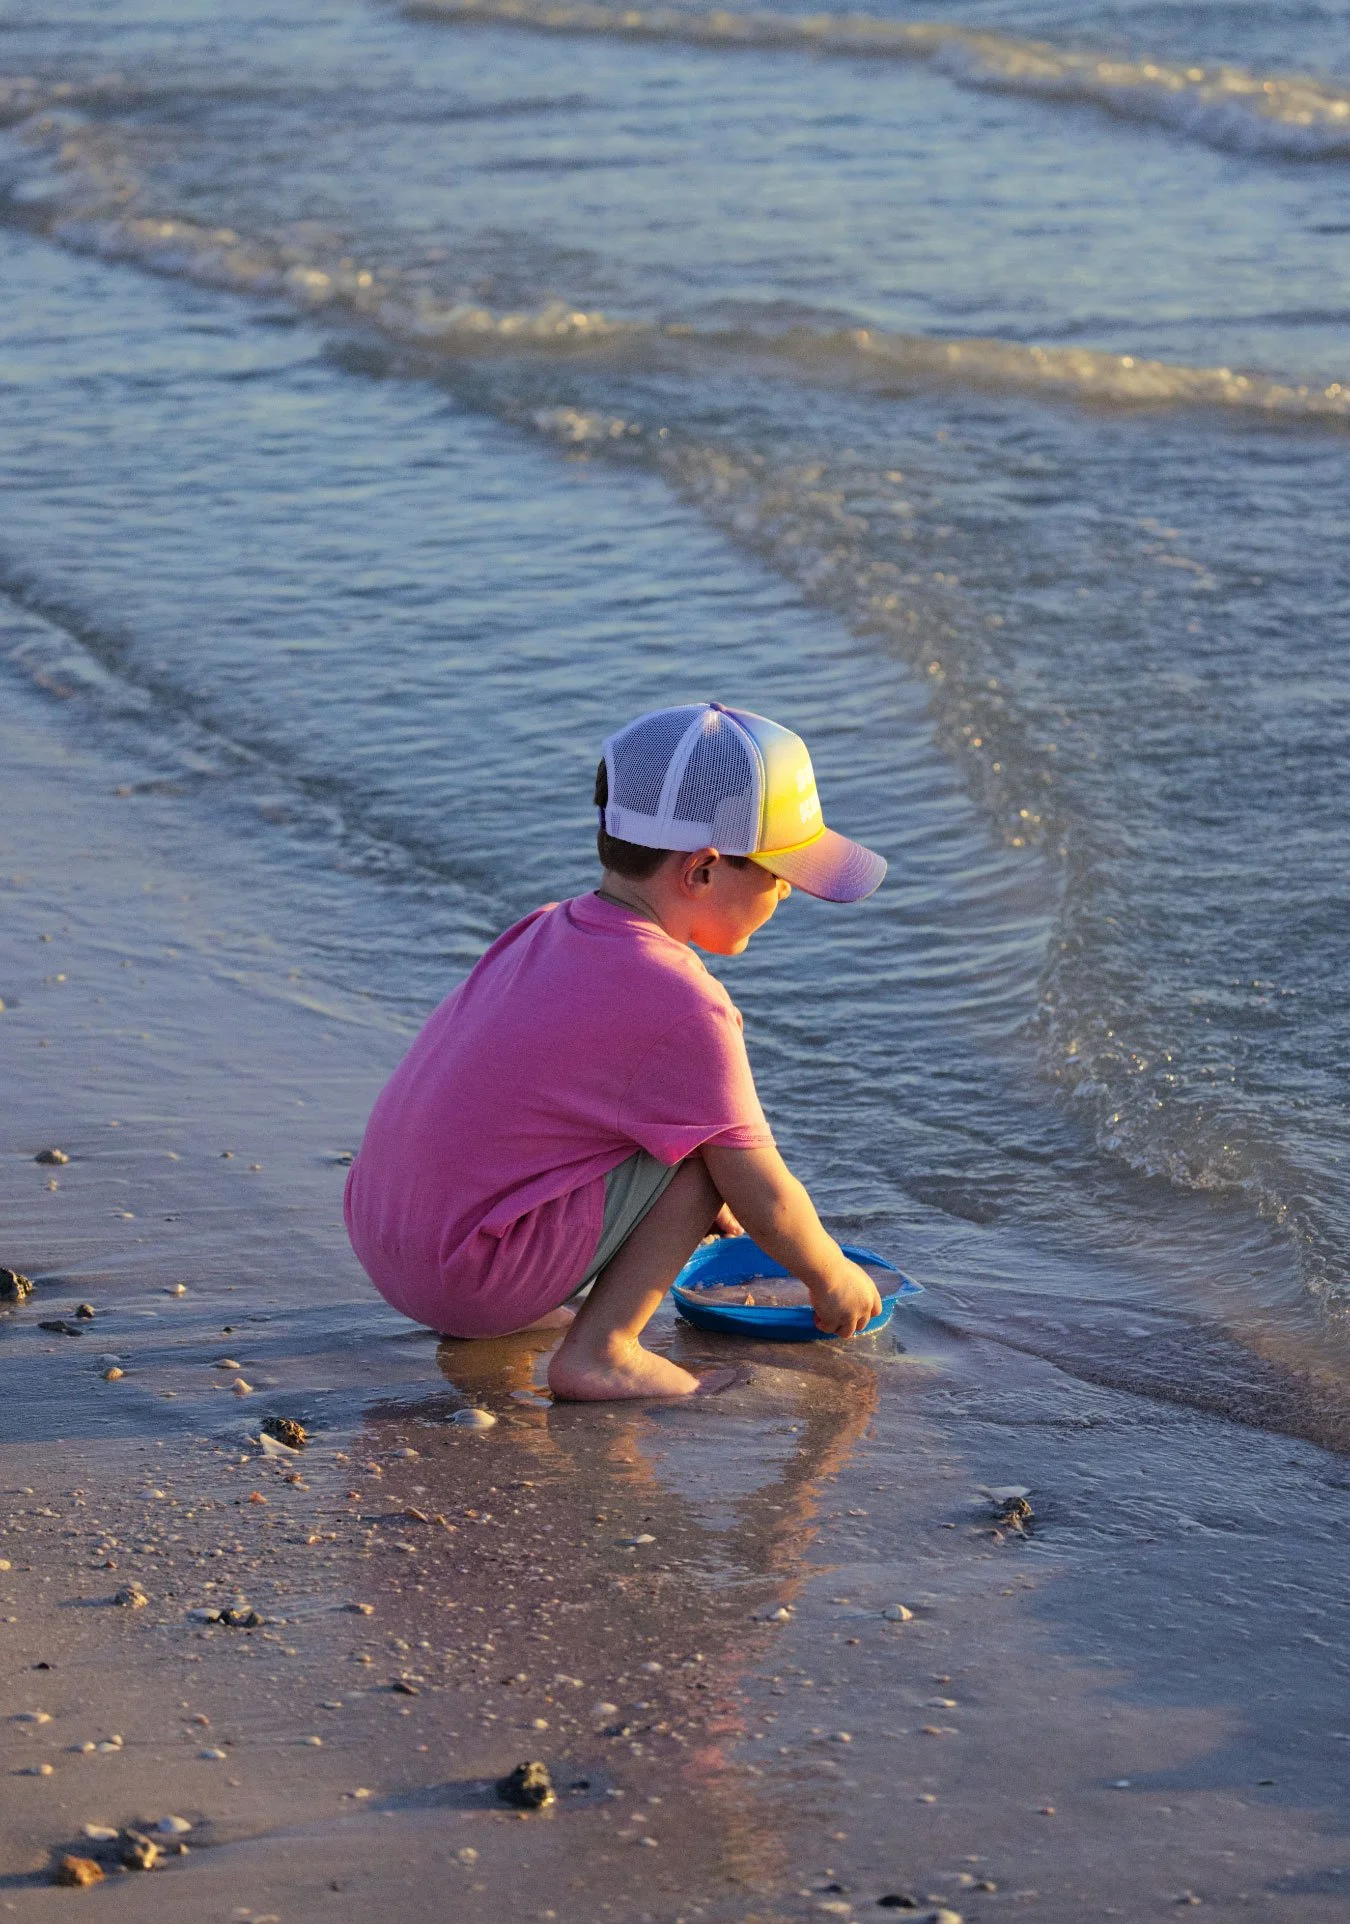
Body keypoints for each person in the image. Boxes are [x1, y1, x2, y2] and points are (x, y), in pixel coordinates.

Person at [344, 702, 889, 1401]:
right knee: (711, 1157)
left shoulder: (541, 930)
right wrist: (830, 1277)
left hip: (385, 1239)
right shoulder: (687, 1004)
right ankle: (603, 1351)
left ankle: (518, 1300)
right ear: (703, 871)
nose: (787, 891)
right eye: (780, 872)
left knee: (685, 1138)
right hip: (469, 1281)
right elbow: (765, 1194)